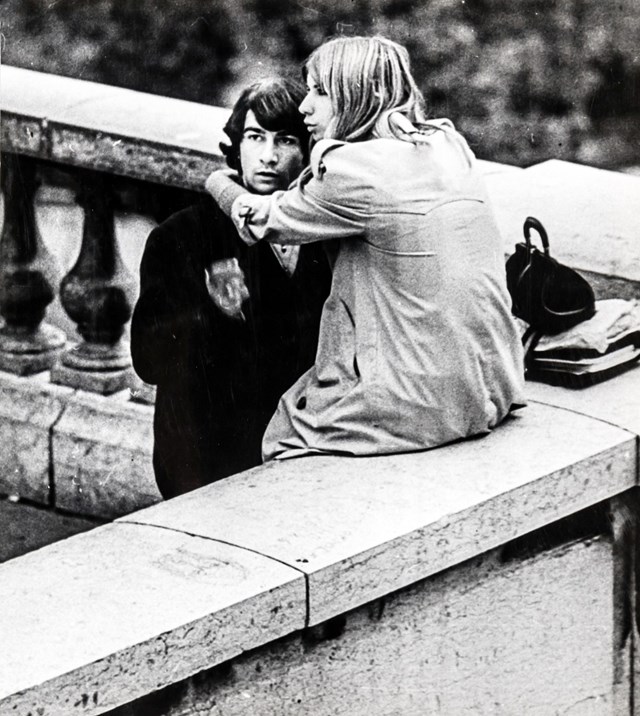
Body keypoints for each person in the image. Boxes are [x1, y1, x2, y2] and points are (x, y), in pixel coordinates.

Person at [205, 35, 526, 463]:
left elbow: (260, 219)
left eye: (321, 92)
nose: (305, 108)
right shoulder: (448, 144)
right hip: (494, 384)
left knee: (282, 435)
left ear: (363, 96)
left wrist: (216, 182)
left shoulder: (351, 170)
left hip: (422, 401)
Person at [131, 78, 331, 499]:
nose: (268, 156)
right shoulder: (182, 234)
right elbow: (148, 359)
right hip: (206, 461)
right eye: (255, 137)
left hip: (298, 461)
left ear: (310, 150)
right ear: (236, 146)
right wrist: (211, 313)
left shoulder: (326, 237)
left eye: (287, 140)